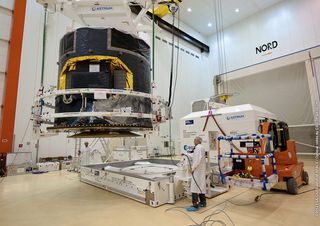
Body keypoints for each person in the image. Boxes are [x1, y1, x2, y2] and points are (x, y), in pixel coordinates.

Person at [183, 136, 207, 212]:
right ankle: (203, 202)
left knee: (194, 187)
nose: (194, 141)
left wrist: (192, 168)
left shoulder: (198, 148)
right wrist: (185, 153)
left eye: (194, 140)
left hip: (197, 171)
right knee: (200, 187)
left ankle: (195, 205)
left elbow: (196, 160)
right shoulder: (200, 148)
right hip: (200, 170)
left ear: (197, 141)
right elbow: (194, 155)